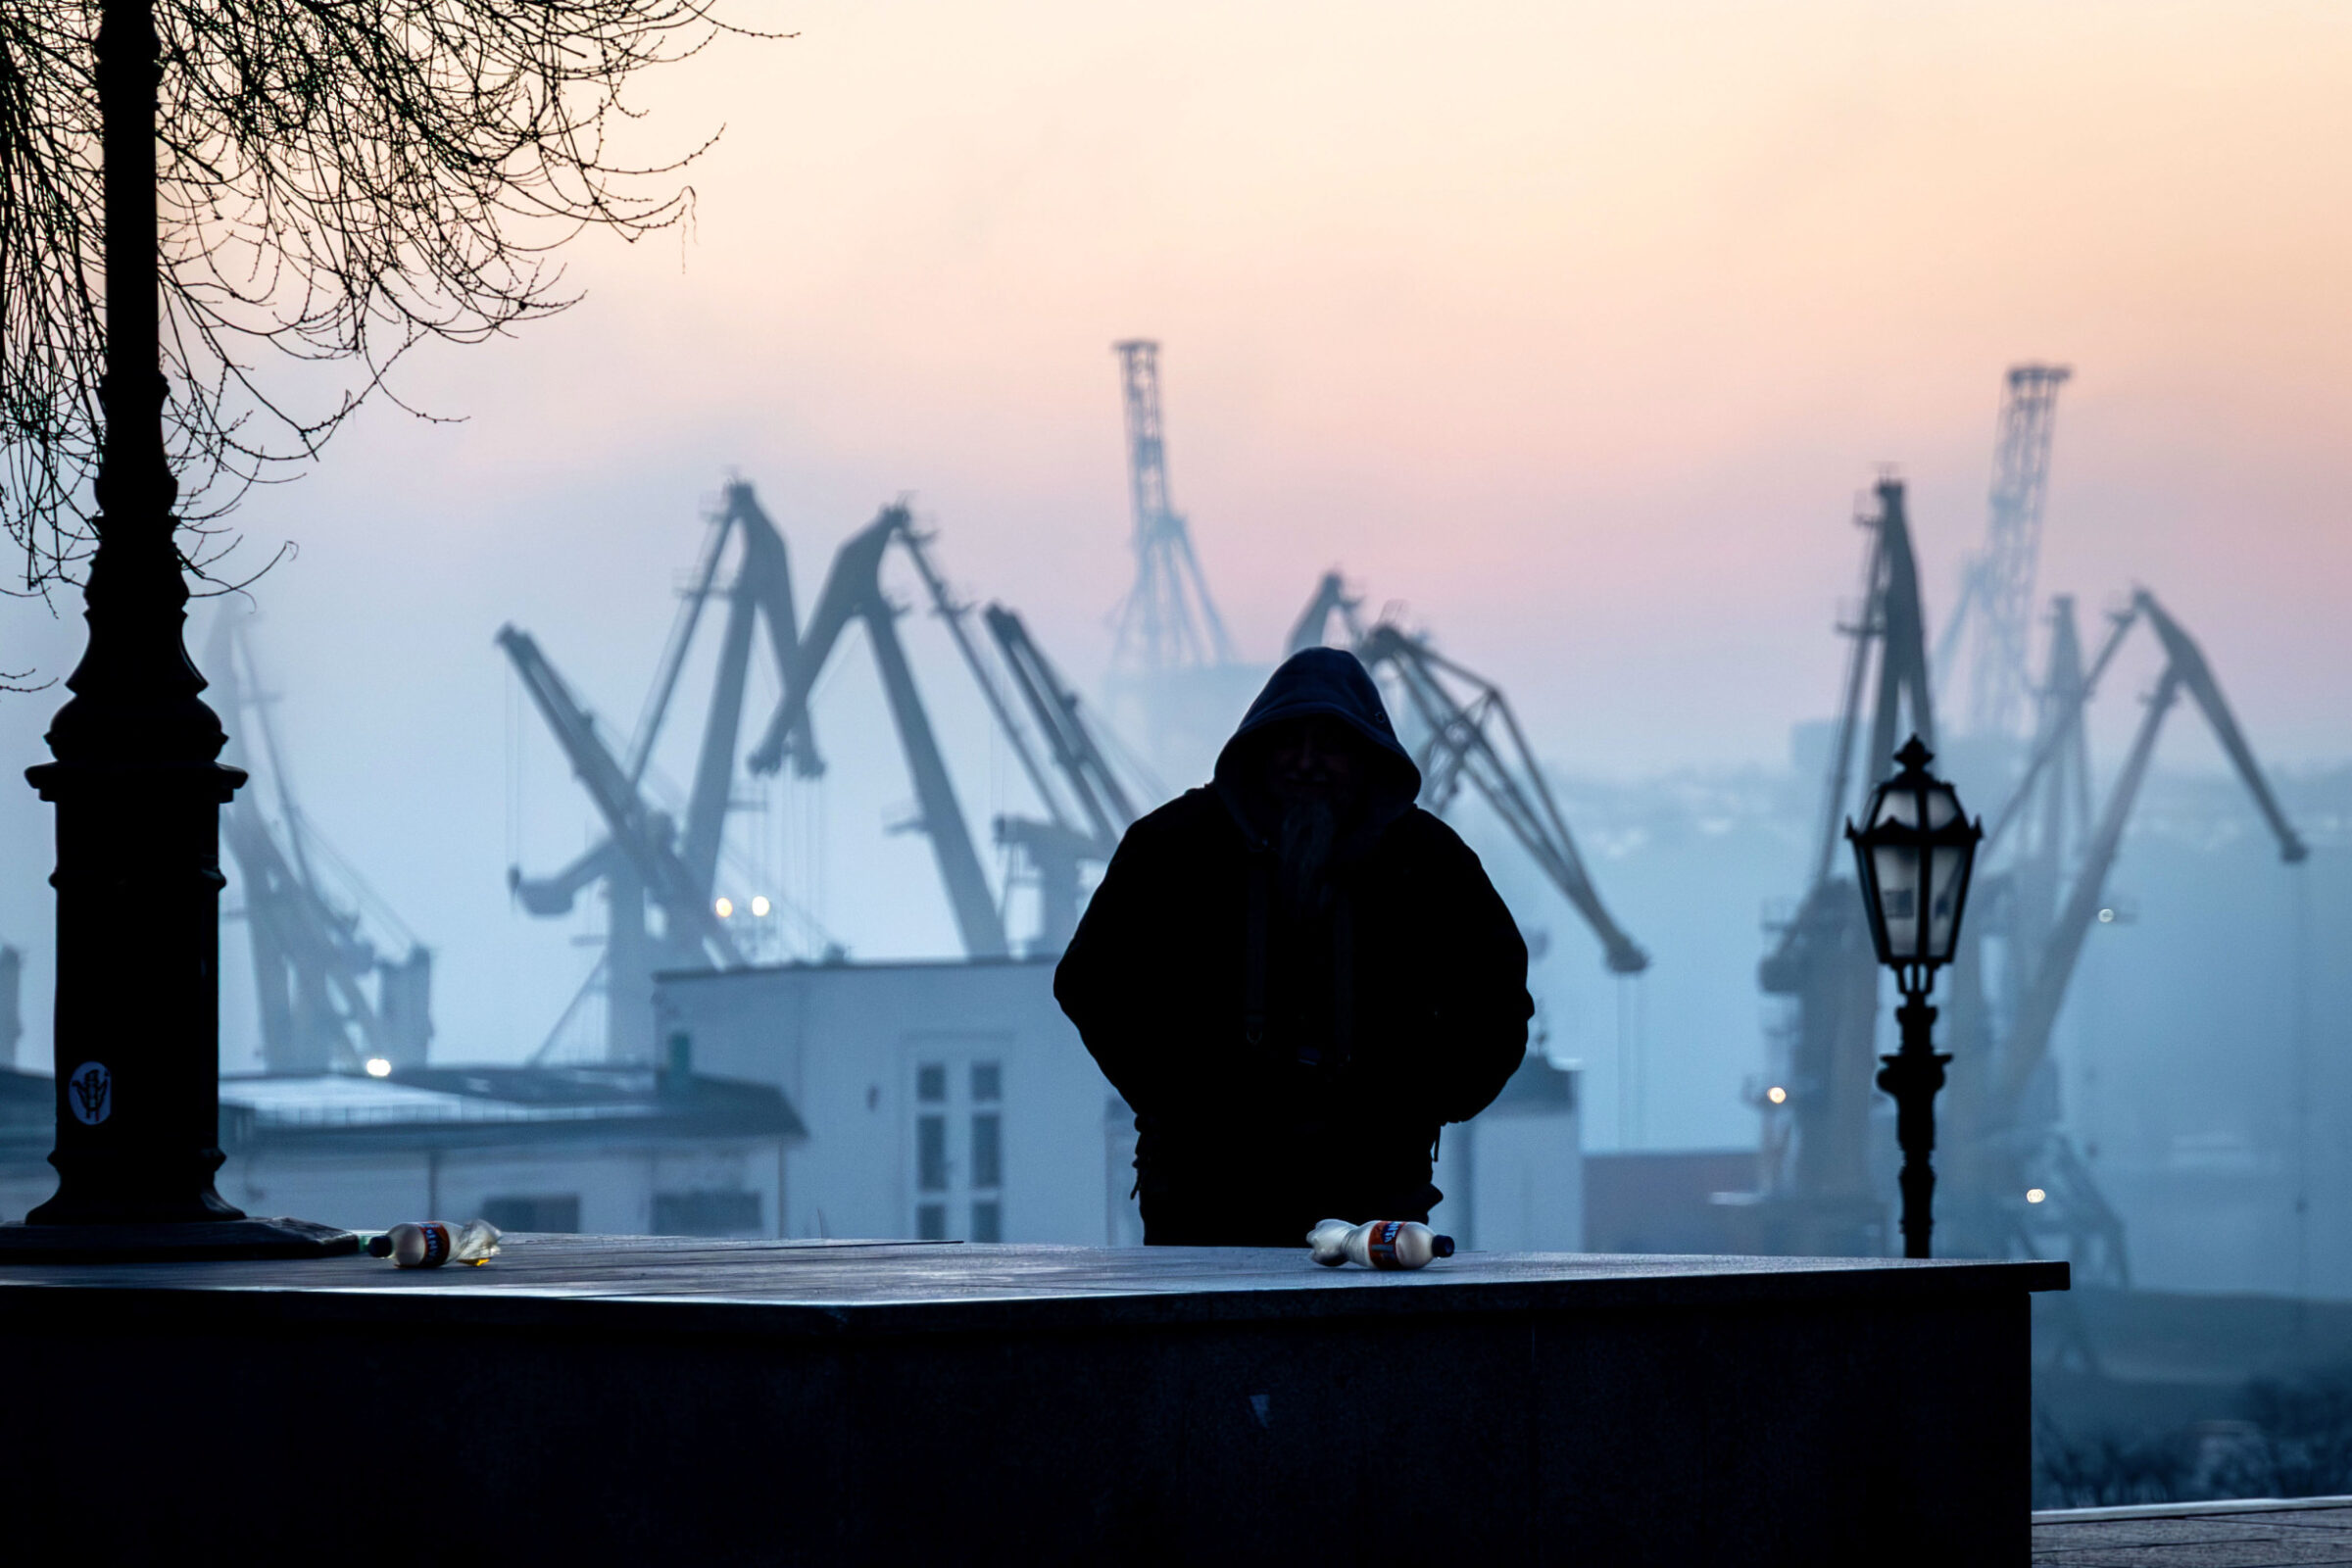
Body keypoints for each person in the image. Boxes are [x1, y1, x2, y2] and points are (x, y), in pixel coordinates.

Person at [1055, 647, 1534, 1247]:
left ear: (1365, 757)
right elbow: (1092, 982)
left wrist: (1413, 1105)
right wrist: (1186, 1102)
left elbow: (1496, 1001)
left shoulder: (1429, 863)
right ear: (1259, 750)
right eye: (1291, 742)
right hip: (1206, 1200)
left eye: (1329, 744)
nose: (1307, 763)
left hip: (1374, 1201)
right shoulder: (1174, 847)